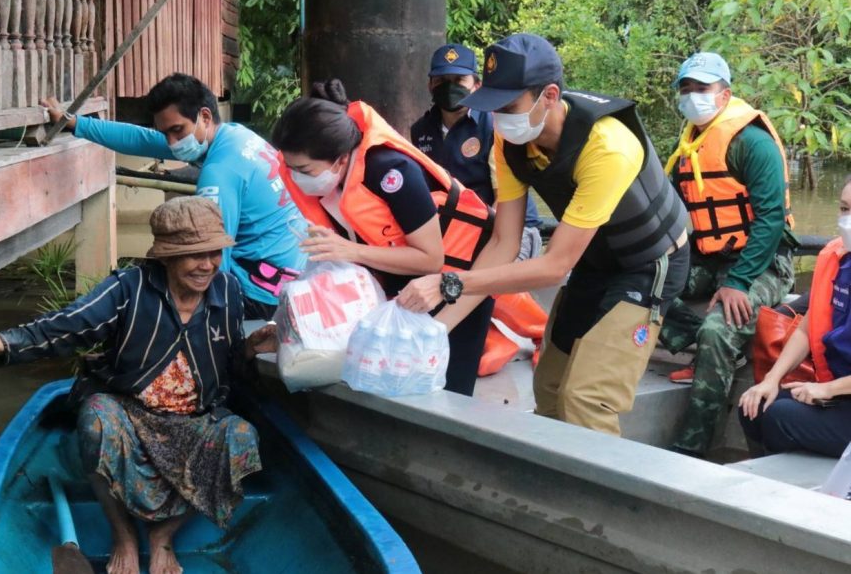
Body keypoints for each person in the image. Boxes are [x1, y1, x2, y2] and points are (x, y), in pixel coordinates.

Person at [0, 197, 273, 574]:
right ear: (167, 257)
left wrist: (249, 349)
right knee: (97, 419)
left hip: (194, 417)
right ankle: (123, 535)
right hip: (128, 411)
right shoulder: (129, 288)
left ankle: (162, 537)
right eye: (193, 255)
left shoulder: (228, 290)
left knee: (242, 438)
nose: (207, 265)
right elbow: (67, 326)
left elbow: (229, 365)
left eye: (214, 253)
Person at [396, 33, 690, 436]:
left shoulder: (607, 146)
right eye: (493, 107)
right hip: (593, 261)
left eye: (509, 106)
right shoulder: (507, 138)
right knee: (549, 387)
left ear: (549, 95)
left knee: (586, 398)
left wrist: (449, 283)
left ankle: (594, 497)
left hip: (647, 264)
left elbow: (555, 266)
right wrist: (438, 329)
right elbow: (504, 243)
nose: (498, 117)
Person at [270, 79, 495, 396]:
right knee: (387, 384)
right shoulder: (329, 181)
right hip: (401, 285)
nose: (295, 177)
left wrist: (349, 251)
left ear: (341, 158)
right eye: (289, 167)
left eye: (304, 169)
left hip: (454, 282)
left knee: (439, 390)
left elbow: (431, 258)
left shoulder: (391, 172)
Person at [42, 73, 306, 319]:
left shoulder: (220, 174)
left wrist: (207, 324)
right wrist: (75, 123)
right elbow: (142, 139)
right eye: (165, 133)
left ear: (204, 116)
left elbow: (212, 259)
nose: (171, 142)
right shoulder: (234, 136)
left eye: (177, 131)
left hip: (261, 296)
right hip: (288, 275)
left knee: (148, 283)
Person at [660, 52, 798, 457]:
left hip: (764, 260)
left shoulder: (751, 142)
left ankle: (692, 449)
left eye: (702, 89)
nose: (692, 97)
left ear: (725, 95)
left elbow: (771, 220)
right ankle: (705, 347)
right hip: (709, 256)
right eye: (686, 89)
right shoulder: (688, 143)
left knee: (719, 329)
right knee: (639, 286)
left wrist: (738, 281)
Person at [410, 43, 549, 374]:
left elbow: (505, 204)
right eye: (441, 81)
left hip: (507, 229)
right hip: (454, 230)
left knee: (472, 267)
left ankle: (542, 331)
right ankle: (491, 340)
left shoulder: (493, 126)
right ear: (430, 84)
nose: (450, 88)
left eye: (459, 79)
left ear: (475, 84)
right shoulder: (421, 131)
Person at [738, 176, 851, 458]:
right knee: (753, 405)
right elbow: (806, 328)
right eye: (845, 209)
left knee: (779, 417)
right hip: (837, 391)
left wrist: (825, 389)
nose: (848, 219)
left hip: (837, 391)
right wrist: (772, 380)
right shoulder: (838, 259)